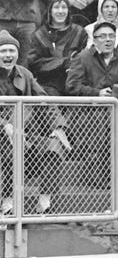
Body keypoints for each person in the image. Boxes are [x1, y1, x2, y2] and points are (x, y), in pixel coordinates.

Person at [0, 30, 70, 215]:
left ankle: (44, 202)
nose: (7, 55)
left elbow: (45, 101)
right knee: (10, 144)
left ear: (17, 53)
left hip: (26, 136)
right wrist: (4, 125)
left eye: (11, 51)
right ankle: (7, 202)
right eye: (3, 51)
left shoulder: (26, 75)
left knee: (54, 146)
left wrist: (58, 127)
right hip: (3, 139)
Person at [27, 0, 88, 96]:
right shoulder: (39, 35)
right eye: (56, 7)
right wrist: (61, 62)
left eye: (64, 7)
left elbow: (85, 59)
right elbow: (34, 63)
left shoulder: (79, 32)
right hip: (48, 85)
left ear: (68, 10)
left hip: (75, 83)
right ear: (49, 11)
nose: (60, 11)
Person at [65, 21, 118, 96]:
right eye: (103, 36)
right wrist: (97, 93)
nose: (108, 39)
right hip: (89, 106)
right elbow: (72, 86)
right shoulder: (82, 58)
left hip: (114, 105)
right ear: (94, 40)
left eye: (112, 36)